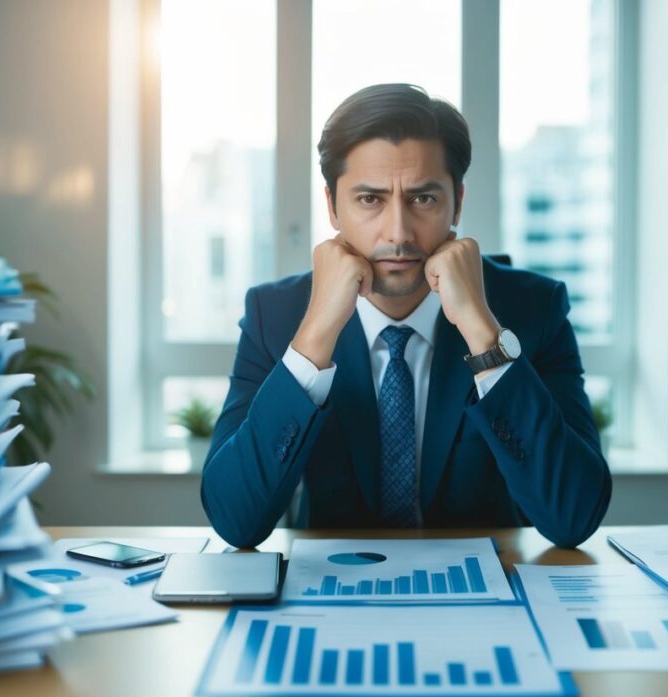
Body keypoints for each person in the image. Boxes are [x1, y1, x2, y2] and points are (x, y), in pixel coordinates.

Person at [201, 83, 611, 549]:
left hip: (488, 605)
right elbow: (235, 521)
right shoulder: (275, 315)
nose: (398, 233)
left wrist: (482, 332)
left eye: (423, 199)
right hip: (335, 598)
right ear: (333, 207)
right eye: (370, 199)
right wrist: (315, 337)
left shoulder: (532, 308)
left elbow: (574, 517)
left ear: (457, 201)